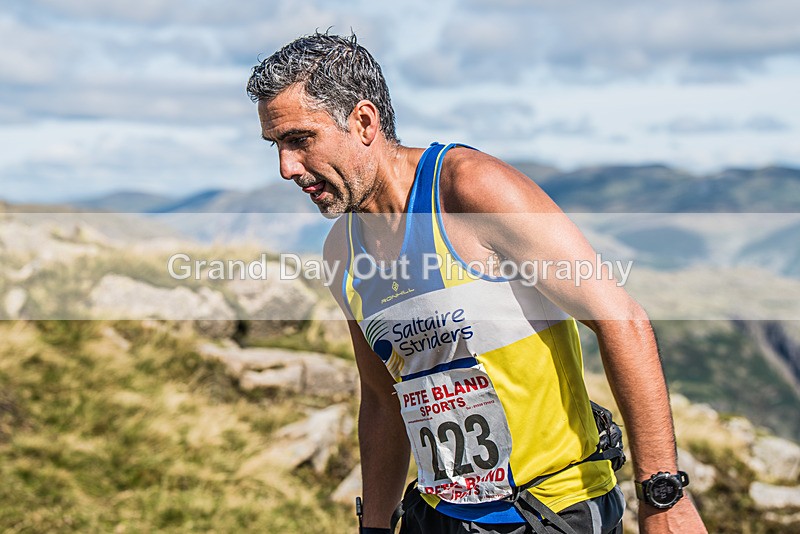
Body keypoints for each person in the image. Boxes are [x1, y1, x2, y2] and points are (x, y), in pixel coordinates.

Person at [247, 32, 707, 534]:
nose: (286, 168)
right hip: (439, 517)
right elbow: (382, 399)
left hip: (552, 513)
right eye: (276, 145)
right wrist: (375, 526)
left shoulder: (469, 190)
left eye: (299, 140)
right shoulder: (342, 250)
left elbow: (621, 319)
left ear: (363, 121)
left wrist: (664, 498)